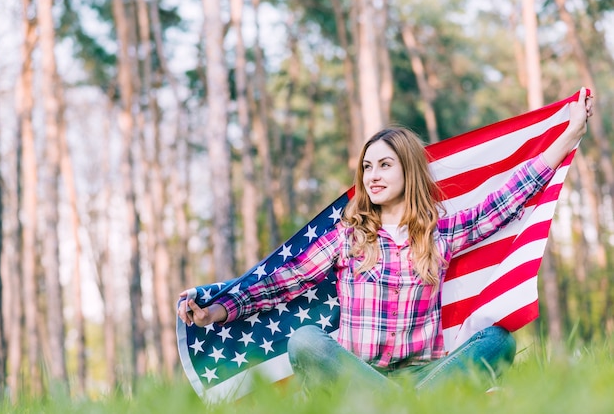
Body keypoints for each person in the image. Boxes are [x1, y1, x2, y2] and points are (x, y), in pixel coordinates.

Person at [178, 88, 593, 395]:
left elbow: (505, 202)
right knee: (304, 340)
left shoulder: (439, 233)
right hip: (354, 374)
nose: (372, 175)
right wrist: (216, 308)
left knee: (499, 341)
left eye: (384, 165)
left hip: (422, 374)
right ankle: (409, 407)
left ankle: (400, 404)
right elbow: (282, 281)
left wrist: (570, 134)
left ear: (408, 171)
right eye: (367, 166)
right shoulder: (348, 237)